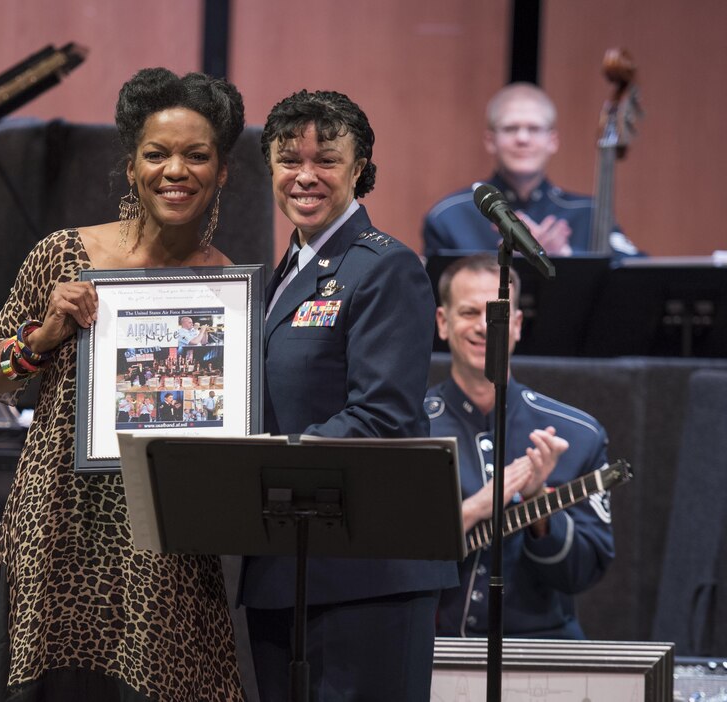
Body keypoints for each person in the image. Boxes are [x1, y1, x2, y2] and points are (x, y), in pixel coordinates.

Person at [0, 67, 246, 701]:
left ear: (222, 171)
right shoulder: (64, 255)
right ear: (132, 163)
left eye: (197, 156)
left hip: (167, 543)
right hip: (59, 529)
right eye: (157, 154)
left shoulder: (231, 287)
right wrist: (41, 338)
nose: (176, 170)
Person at [241, 89, 457, 701]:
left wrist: (257, 462)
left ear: (359, 169)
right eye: (288, 159)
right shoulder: (281, 271)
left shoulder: (385, 267)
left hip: (369, 571)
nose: (305, 176)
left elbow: (382, 416)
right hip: (288, 561)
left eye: (326, 160)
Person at [426, 253, 615, 638]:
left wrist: (537, 504)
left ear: (515, 325)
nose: (483, 327)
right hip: (430, 653)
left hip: (542, 654)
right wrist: (475, 508)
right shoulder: (404, 428)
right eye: (467, 313)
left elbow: (583, 572)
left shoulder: (577, 433)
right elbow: (379, 558)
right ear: (442, 323)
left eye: (496, 314)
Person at [422, 82, 641, 259]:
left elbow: (640, 274)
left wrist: (566, 257)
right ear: (490, 141)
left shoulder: (590, 213)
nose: (523, 139)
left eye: (534, 129)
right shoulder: (449, 216)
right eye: (510, 129)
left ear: (552, 141)